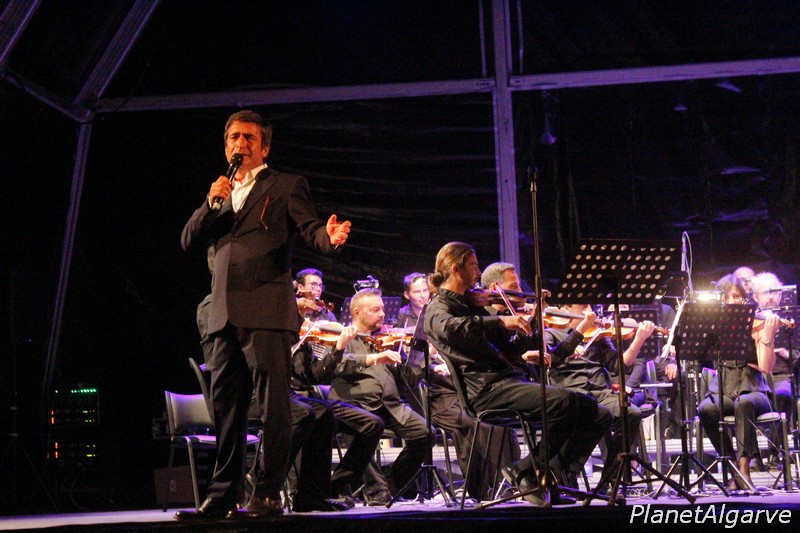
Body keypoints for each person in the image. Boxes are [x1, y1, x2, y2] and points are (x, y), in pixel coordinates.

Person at [178, 110, 351, 520]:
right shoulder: (220, 193)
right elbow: (187, 241)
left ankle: (268, 493)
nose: (240, 144)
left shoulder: (286, 185)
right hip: (221, 315)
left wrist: (329, 238)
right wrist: (209, 203)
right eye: (234, 137)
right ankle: (223, 496)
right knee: (227, 409)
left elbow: (311, 229)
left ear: (265, 147)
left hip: (267, 310)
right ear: (226, 145)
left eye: (249, 138)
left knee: (274, 407)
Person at [423, 242, 611, 506]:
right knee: (566, 402)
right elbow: (450, 328)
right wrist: (500, 320)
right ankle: (526, 471)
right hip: (485, 391)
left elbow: (510, 352)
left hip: (507, 382)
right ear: (456, 269)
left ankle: (540, 475)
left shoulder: (471, 304)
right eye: (474, 266)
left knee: (596, 411)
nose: (478, 272)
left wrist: (533, 319)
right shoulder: (439, 307)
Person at [330, 289, 429, 500]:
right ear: (357, 313)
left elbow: (409, 381)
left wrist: (417, 356)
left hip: (391, 406)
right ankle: (377, 491)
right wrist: (374, 358)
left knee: (425, 433)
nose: (383, 314)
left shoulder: (385, 339)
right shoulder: (341, 336)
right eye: (376, 310)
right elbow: (338, 364)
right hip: (356, 405)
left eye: (383, 309)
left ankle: (391, 484)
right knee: (366, 429)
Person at [697, 274, 778, 490]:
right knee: (706, 409)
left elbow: (766, 367)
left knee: (744, 403)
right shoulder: (717, 328)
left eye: (740, 297)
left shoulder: (756, 325)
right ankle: (734, 467)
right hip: (724, 386)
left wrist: (768, 336)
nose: (737, 301)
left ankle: (744, 470)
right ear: (722, 299)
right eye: (732, 297)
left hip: (754, 388)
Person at [751, 272, 796, 419]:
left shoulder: (791, 318)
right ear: (756, 297)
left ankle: (779, 433)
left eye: (775, 292)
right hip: (756, 377)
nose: (771, 297)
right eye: (765, 293)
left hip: (781, 376)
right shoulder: (750, 321)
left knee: (782, 394)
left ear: (780, 295)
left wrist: (787, 354)